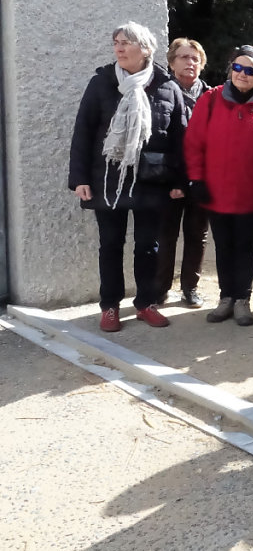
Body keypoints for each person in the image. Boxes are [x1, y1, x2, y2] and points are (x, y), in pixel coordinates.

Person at [69, 22, 187, 332]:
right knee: (110, 244)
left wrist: (179, 181)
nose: (119, 48)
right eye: (116, 42)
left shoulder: (166, 85)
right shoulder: (101, 83)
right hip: (108, 179)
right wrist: (79, 178)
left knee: (148, 245)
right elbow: (83, 132)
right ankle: (110, 307)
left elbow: (180, 139)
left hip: (151, 180)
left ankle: (146, 303)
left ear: (145, 49)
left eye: (126, 43)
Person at [185, 45, 253, 326]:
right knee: (223, 245)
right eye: (238, 67)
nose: (243, 73)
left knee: (244, 247)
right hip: (215, 192)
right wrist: (197, 178)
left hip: (249, 195)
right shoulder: (211, 100)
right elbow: (194, 143)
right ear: (231, 69)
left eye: (250, 70)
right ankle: (225, 297)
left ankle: (243, 299)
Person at [155, 37, 211, 308]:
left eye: (195, 58)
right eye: (184, 57)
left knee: (197, 235)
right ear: (171, 62)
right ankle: (160, 289)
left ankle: (190, 288)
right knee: (166, 235)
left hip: (202, 178)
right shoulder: (160, 92)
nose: (191, 62)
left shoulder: (212, 96)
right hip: (169, 178)